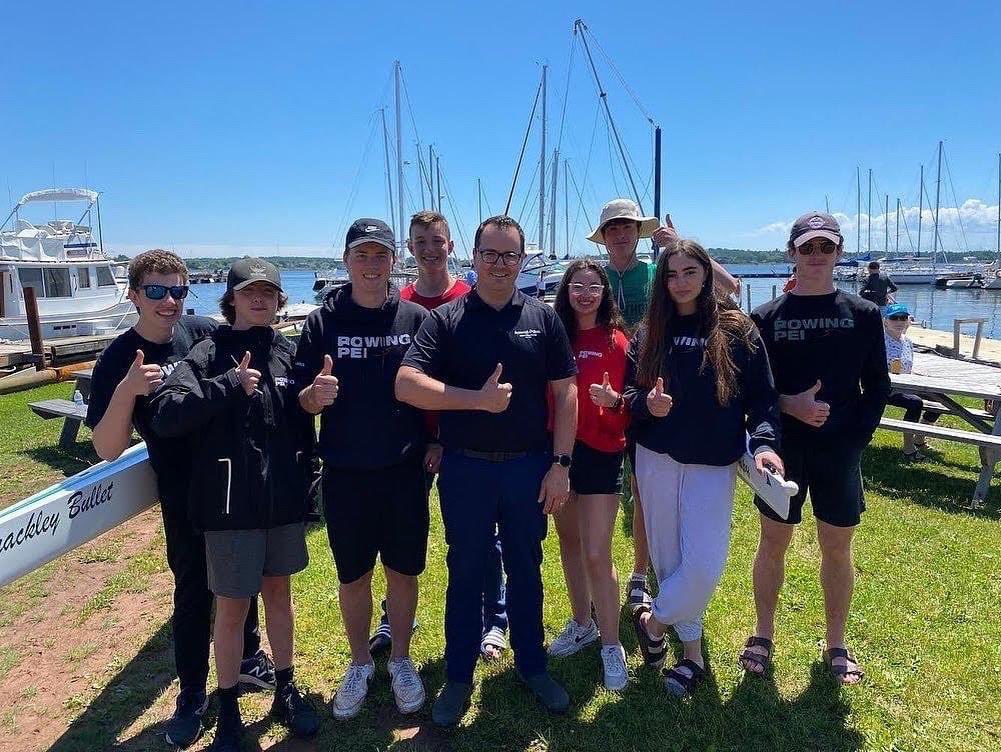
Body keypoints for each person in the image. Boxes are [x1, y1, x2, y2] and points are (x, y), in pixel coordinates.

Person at [85, 249, 273, 749]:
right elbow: (106, 447)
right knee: (193, 592)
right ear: (133, 295)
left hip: (230, 482)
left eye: (177, 290)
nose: (168, 301)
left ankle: (248, 656)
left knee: (241, 578)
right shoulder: (118, 357)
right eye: (156, 291)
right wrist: (127, 391)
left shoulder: (201, 332)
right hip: (183, 492)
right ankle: (192, 693)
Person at [397, 214, 578, 726]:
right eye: (490, 254)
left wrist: (561, 465)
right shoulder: (446, 320)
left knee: (526, 568)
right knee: (466, 570)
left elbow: (566, 393)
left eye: (510, 255)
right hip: (466, 470)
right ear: (473, 257)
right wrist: (475, 400)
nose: (500, 264)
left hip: (528, 467)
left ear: (522, 260)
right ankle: (458, 675)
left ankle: (532, 665)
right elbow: (407, 383)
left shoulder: (543, 318)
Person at [150, 258, 319, 750]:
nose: (259, 300)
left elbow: (299, 414)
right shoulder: (207, 353)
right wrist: (226, 385)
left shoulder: (288, 352)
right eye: (249, 292)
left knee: (279, 595)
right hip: (228, 508)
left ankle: (285, 687)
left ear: (279, 300)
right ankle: (227, 707)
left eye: (268, 292)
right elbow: (165, 413)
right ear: (231, 300)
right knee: (231, 608)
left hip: (280, 502)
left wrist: (312, 399)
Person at [623, 239, 782, 697]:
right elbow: (628, 396)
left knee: (703, 567)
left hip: (713, 462)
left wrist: (765, 446)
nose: (680, 283)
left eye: (690, 272)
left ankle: (652, 623)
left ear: (707, 275)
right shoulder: (649, 331)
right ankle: (691, 655)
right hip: (656, 457)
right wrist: (647, 405)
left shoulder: (737, 329)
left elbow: (763, 399)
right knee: (669, 561)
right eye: (671, 275)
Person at [741, 212, 890, 685]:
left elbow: (878, 387)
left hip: (839, 450)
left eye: (826, 246)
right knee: (773, 541)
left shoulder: (863, 314)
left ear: (839, 252)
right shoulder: (766, 318)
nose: (817, 255)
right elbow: (755, 392)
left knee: (837, 546)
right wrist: (791, 406)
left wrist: (856, 439)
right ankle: (763, 633)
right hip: (782, 450)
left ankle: (836, 642)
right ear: (792, 252)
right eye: (807, 247)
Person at [293, 219, 431, 720]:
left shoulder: (415, 318)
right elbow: (299, 397)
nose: (371, 265)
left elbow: (435, 388)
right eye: (362, 255)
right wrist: (313, 396)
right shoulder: (322, 322)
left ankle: (400, 660)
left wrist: (436, 441)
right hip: (345, 471)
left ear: (394, 260)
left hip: (403, 470)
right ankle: (359, 663)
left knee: (403, 572)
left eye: (380, 255)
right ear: (347, 260)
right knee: (353, 576)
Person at [587, 198, 739, 613]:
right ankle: (611, 571)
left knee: (641, 492)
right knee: (605, 491)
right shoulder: (595, 278)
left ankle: (640, 572)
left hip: (648, 394)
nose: (621, 234)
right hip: (604, 394)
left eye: (628, 227)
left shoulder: (659, 272)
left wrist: (679, 243)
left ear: (639, 233)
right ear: (603, 238)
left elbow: (729, 288)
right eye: (613, 228)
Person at [399, 210, 510, 663]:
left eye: (437, 241)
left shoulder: (470, 299)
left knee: (481, 536)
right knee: (403, 532)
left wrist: (443, 438)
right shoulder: (401, 302)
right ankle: (394, 615)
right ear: (410, 248)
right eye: (421, 241)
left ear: (452, 246)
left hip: (459, 440)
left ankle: (494, 617)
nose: (429, 249)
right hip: (409, 439)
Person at [547, 259, 631, 690]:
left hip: (602, 453)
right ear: (566, 291)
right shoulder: (554, 335)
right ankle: (582, 623)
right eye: (576, 286)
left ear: (604, 293)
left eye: (593, 287)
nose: (584, 294)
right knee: (569, 543)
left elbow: (632, 403)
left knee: (598, 553)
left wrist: (614, 401)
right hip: (560, 453)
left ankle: (612, 644)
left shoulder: (617, 340)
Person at [882, 302, 937, 460]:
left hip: (908, 384)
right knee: (915, 403)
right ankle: (908, 449)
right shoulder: (879, 342)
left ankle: (919, 438)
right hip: (887, 388)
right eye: (894, 318)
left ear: (908, 321)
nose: (899, 321)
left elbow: (908, 367)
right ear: (886, 321)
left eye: (903, 318)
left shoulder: (907, 341)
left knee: (938, 400)